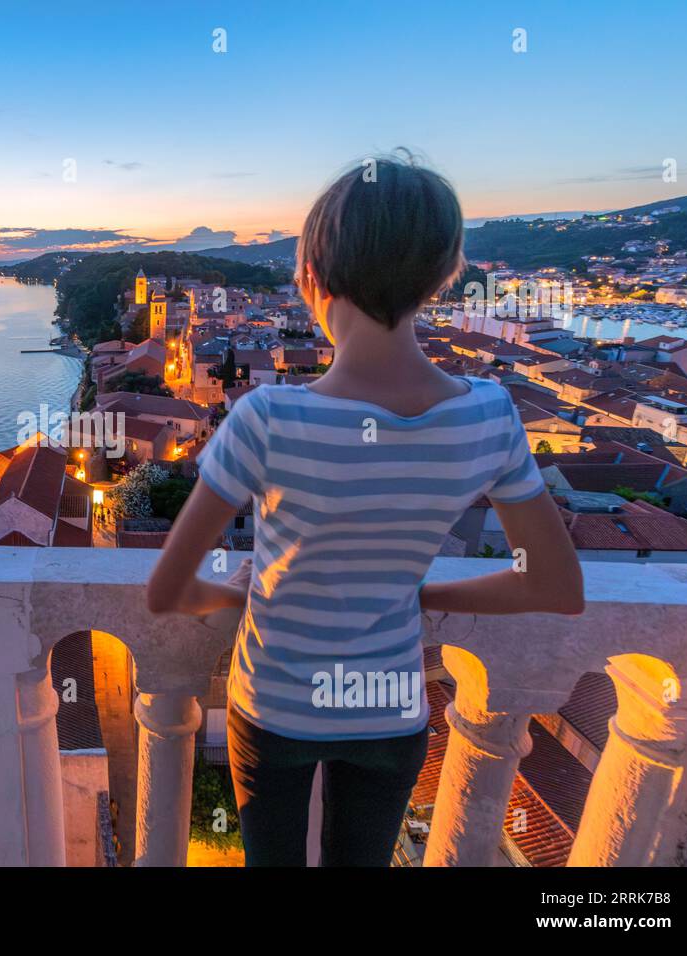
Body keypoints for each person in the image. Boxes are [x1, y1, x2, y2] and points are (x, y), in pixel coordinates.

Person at [145, 153, 584, 866]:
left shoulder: (266, 417)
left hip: (276, 707)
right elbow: (555, 588)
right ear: (444, 277)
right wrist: (415, 593)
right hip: (389, 710)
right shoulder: (488, 415)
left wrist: (235, 593)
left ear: (311, 277)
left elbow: (169, 591)